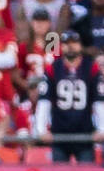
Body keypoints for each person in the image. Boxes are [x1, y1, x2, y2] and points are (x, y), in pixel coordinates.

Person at [34, 30, 104, 163]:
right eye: (66, 43)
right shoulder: (53, 68)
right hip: (59, 135)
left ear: (80, 45)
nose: (70, 46)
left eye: (74, 43)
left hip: (85, 135)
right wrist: (41, 129)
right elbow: (44, 100)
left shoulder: (91, 68)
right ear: (61, 46)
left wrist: (102, 128)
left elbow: (99, 100)